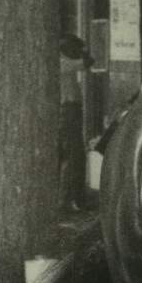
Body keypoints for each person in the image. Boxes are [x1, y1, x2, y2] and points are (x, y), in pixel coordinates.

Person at [58, 33, 94, 212]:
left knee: (72, 156)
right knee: (73, 156)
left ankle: (70, 198)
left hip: (70, 111)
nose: (77, 52)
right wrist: (84, 49)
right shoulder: (62, 62)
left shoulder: (64, 61)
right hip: (67, 110)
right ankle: (70, 199)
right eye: (74, 49)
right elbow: (89, 61)